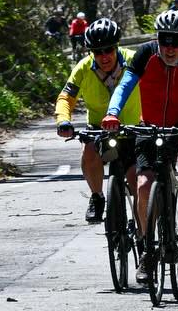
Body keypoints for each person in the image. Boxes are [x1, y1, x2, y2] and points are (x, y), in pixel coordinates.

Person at [103, 10, 178, 282]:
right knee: (143, 186)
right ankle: (146, 250)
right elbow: (124, 87)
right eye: (164, 40)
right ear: (157, 39)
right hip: (151, 123)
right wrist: (113, 112)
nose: (169, 48)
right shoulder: (145, 54)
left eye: (176, 41)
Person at [54, 18, 141, 222]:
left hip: (133, 127)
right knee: (89, 150)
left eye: (108, 49)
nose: (104, 56)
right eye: (97, 51)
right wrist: (63, 121)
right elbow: (66, 97)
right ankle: (97, 196)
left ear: (117, 46)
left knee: (135, 178)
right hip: (98, 127)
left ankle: (141, 228)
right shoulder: (83, 68)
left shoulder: (134, 60)